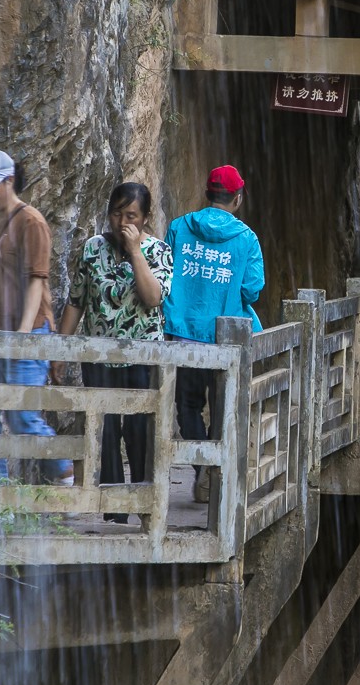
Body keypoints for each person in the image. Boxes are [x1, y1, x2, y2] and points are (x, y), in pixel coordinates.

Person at [0, 148, 72, 486]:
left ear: (9, 181)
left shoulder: (30, 221)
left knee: (21, 414)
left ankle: (62, 470)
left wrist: (21, 335)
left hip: (28, 330)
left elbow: (37, 279)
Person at [60, 182, 172, 521]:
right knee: (104, 429)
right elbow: (76, 302)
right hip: (100, 356)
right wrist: (58, 351)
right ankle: (113, 510)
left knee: (140, 429)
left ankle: (142, 502)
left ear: (145, 218)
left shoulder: (158, 251)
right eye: (116, 213)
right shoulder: (92, 249)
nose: (122, 221)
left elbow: (153, 298)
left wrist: (136, 251)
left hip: (143, 356)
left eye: (131, 215)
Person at [164, 165, 265, 501]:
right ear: (237, 198)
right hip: (227, 340)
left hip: (183, 334)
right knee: (224, 408)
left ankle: (202, 467)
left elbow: (164, 275)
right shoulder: (247, 238)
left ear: (207, 193)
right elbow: (252, 290)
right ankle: (215, 472)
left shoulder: (179, 228)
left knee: (188, 406)